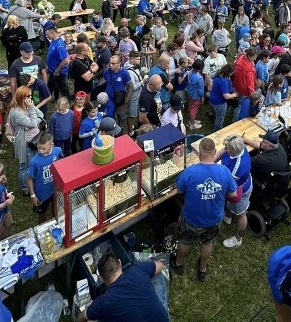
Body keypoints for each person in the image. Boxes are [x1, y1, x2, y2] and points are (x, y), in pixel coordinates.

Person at [170, 137, 238, 282]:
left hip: (190, 218)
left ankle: (179, 264)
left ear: (200, 152)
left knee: (184, 241)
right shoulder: (224, 172)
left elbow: (179, 190)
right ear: (214, 152)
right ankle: (202, 271)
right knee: (208, 243)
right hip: (213, 219)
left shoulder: (190, 172)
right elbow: (233, 194)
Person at [78, 252, 169, 322]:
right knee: (156, 273)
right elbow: (160, 265)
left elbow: (83, 316)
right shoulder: (137, 270)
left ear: (101, 278)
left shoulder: (104, 301)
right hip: (162, 319)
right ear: (120, 263)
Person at [219, 134, 253, 249]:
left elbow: (227, 185)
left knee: (241, 214)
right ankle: (228, 217)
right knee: (230, 204)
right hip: (236, 184)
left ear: (234, 150)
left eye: (227, 148)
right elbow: (222, 151)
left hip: (240, 191)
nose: (225, 149)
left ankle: (238, 238)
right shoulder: (239, 148)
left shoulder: (238, 167)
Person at [9, 86, 44, 195]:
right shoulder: (16, 113)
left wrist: (34, 121)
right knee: (25, 166)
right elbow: (33, 123)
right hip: (24, 142)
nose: (30, 98)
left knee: (33, 161)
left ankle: (31, 181)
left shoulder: (28, 106)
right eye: (28, 96)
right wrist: (34, 120)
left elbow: (41, 115)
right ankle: (25, 188)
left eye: (30, 95)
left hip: (34, 139)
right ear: (21, 98)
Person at [27, 132, 63, 224]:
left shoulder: (57, 151)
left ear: (51, 145)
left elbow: (62, 162)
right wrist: (32, 195)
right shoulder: (34, 161)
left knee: (55, 208)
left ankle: (56, 222)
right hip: (41, 193)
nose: (40, 151)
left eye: (43, 148)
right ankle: (41, 226)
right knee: (42, 215)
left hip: (55, 189)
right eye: (38, 148)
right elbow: (30, 178)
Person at [210, 63, 238, 130]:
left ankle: (215, 121)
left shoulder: (219, 75)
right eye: (232, 73)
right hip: (220, 102)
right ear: (229, 72)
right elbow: (226, 96)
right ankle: (217, 131)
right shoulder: (223, 81)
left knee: (219, 115)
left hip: (213, 98)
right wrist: (235, 95)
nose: (233, 74)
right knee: (220, 118)